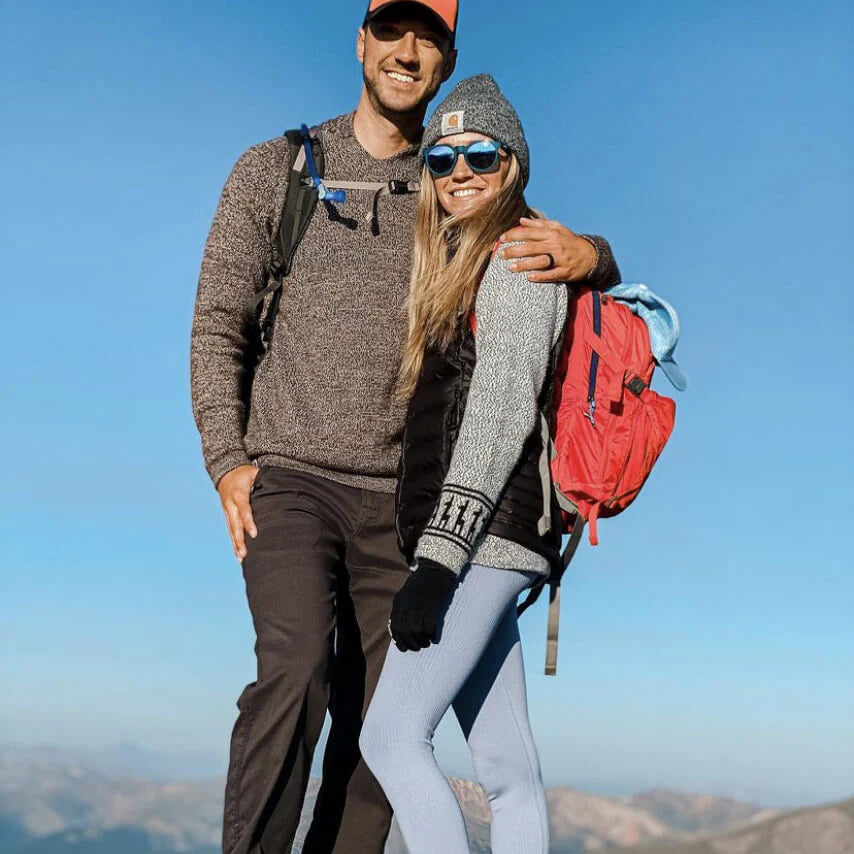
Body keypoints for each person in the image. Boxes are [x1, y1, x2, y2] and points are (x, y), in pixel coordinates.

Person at [190, 2, 621, 852]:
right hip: (294, 476)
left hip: (405, 507)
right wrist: (226, 457)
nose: (407, 49)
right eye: (391, 28)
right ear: (362, 41)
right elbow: (218, 324)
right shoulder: (278, 171)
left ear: (448, 53)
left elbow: (537, 269)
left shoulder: (457, 177)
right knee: (297, 670)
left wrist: (598, 255)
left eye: (427, 36)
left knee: (378, 723)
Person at [359, 74, 562, 854]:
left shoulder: (515, 257)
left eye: (480, 153)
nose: (460, 172)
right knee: (507, 766)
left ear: (511, 163)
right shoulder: (456, 264)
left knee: (391, 738)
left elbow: (501, 410)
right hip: (489, 540)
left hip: (484, 542)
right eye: (442, 160)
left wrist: (439, 560)